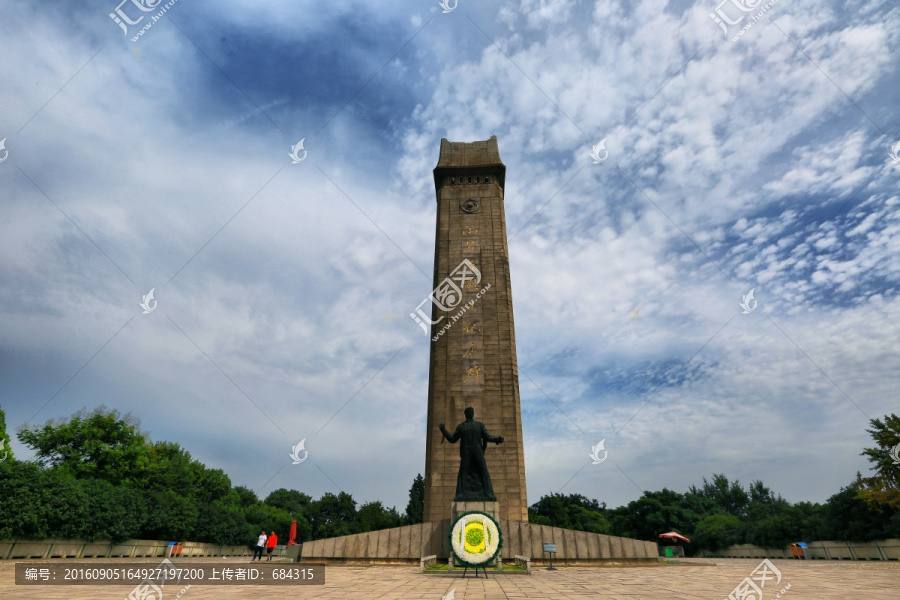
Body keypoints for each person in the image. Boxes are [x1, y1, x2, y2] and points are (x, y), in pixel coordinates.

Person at [439, 406, 503, 501]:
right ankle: (460, 493)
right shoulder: (461, 426)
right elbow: (453, 439)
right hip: (466, 452)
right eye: (469, 411)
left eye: (472, 411)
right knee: (463, 472)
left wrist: (496, 439)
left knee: (483, 470)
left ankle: (489, 493)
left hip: (477, 451)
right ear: (466, 414)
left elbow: (488, 437)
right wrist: (444, 431)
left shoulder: (479, 425)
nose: (471, 412)